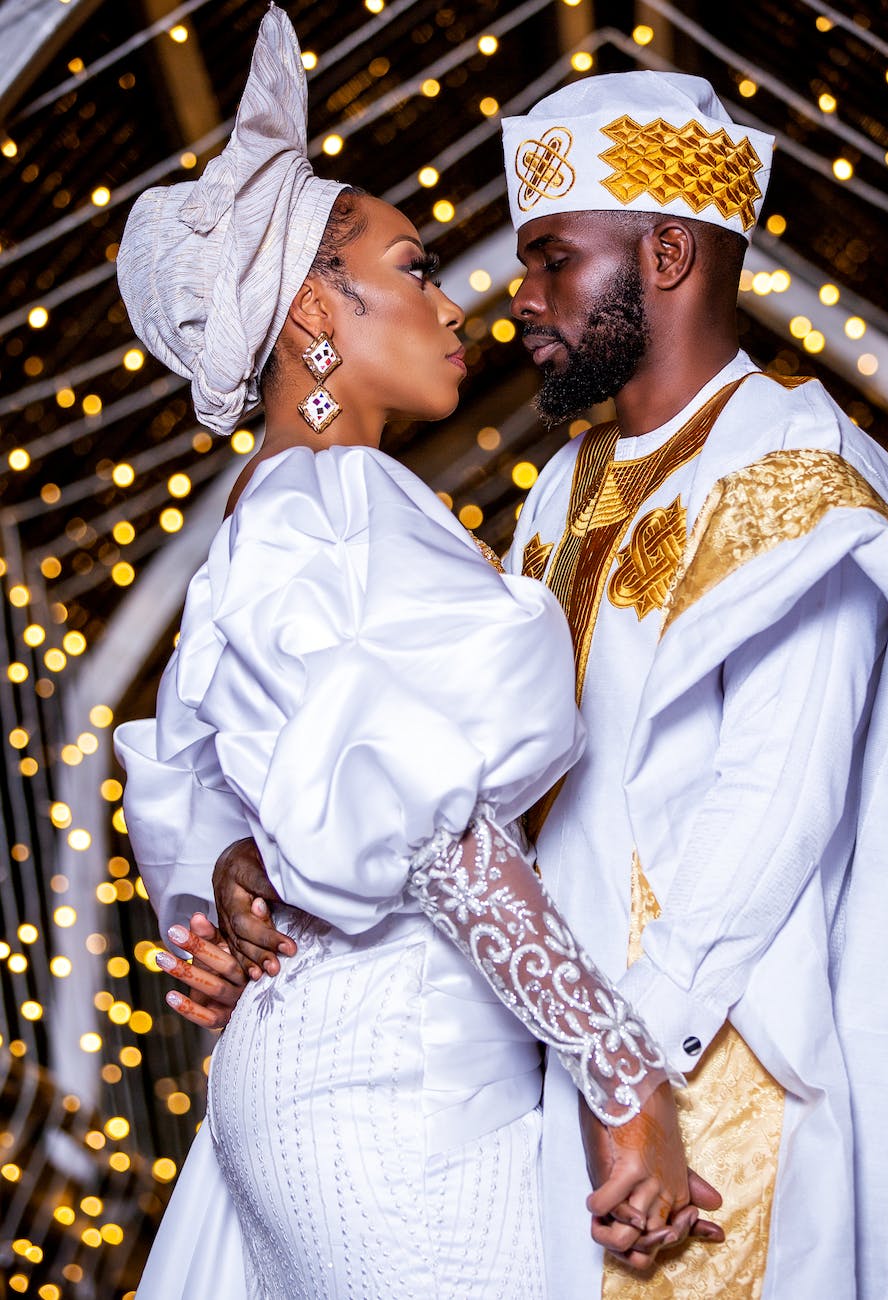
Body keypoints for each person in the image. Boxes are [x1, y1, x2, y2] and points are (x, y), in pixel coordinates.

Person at [200, 69, 888, 1300]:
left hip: (712, 1076)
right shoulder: (560, 490)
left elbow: (773, 800)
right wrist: (258, 854)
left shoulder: (797, 465)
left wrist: (631, 1059)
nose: (518, 299)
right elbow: (447, 756)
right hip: (573, 1068)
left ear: (662, 253)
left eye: (549, 259)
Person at [113, 16, 726, 1300]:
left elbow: (199, 789)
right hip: (406, 1087)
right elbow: (429, 828)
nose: (456, 302)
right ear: (315, 311)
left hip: (303, 1083)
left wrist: (236, 867)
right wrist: (619, 1072)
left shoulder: (256, 526)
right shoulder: (343, 502)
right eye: (412, 265)